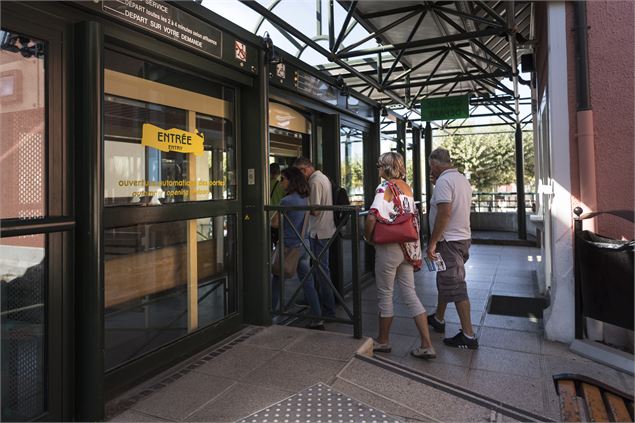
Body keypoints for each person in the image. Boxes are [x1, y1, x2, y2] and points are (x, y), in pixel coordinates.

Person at [364, 152, 436, 359]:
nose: (377, 169)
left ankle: (384, 341)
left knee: (385, 293)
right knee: (410, 293)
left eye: (379, 165)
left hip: (389, 247)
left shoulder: (384, 187)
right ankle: (427, 344)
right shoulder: (407, 187)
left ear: (385, 167)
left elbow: (372, 217)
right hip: (408, 247)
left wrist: (367, 237)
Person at [426, 148, 478, 349]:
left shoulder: (444, 182)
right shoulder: (460, 179)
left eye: (432, 167)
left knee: (456, 286)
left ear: (435, 165)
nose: (431, 171)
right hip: (461, 238)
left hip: (448, 241)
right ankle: (438, 319)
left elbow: (445, 213)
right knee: (445, 279)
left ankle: (468, 335)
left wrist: (432, 242)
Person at [270, 167, 323, 329]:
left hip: (288, 247)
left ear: (291, 181)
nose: (280, 183)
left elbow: (274, 223)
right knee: (307, 282)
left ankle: (271, 313)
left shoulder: (287, 201)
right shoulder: (304, 198)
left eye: (283, 180)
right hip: (303, 245)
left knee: (277, 278)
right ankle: (318, 315)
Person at [293, 157, 336, 320]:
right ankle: (319, 302)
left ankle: (327, 309)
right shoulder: (322, 177)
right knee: (320, 269)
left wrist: (298, 208)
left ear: (305, 169)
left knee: (322, 271)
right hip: (323, 230)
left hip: (319, 231)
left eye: (299, 173)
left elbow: (315, 210)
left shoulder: (315, 182)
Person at [270, 163, 286, 248]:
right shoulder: (281, 185)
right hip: (278, 216)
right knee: (278, 241)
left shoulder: (265, 184)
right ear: (279, 173)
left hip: (267, 217)